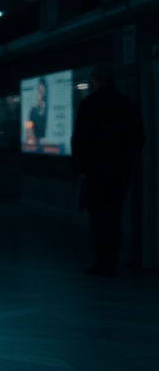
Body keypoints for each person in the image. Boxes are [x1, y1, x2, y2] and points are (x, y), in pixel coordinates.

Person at [70, 63, 146, 277]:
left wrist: (79, 168)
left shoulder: (88, 104)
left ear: (95, 80)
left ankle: (104, 262)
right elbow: (139, 138)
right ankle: (112, 258)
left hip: (96, 172)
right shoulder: (129, 105)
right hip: (121, 170)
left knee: (99, 217)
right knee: (115, 215)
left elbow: (79, 140)